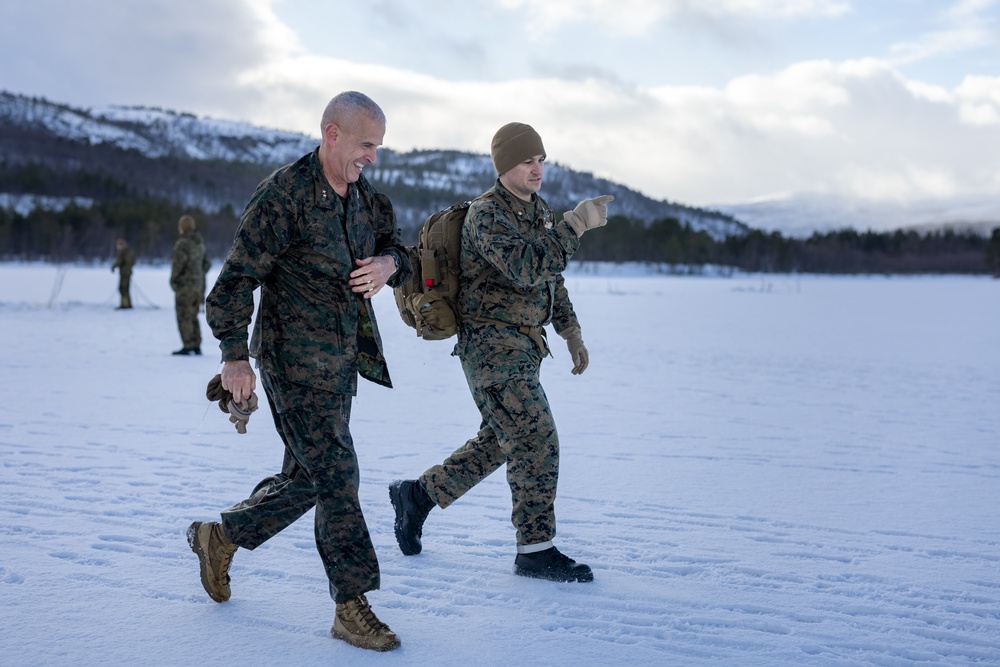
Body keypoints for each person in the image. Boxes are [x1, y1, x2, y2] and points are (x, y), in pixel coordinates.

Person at [186, 91, 411, 652]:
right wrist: (235, 357)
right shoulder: (283, 195)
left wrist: (390, 264)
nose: (372, 158)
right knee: (338, 471)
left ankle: (222, 537)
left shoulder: (366, 201)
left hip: (342, 361)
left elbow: (398, 246)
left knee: (309, 476)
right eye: (365, 145)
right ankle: (351, 605)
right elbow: (234, 281)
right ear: (331, 133)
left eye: (378, 147)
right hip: (290, 359)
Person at [389, 122, 613, 583]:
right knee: (536, 438)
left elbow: (551, 279)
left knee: (500, 442)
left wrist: (571, 332)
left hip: (525, 346)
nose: (537, 168)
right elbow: (527, 267)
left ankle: (417, 497)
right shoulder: (486, 216)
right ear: (504, 165)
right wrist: (574, 226)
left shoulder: (538, 211)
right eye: (527, 160)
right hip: (490, 348)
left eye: (541, 159)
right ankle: (535, 549)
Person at [170, 214, 210, 355]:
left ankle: (188, 344)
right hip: (198, 287)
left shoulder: (183, 244)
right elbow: (207, 264)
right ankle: (196, 344)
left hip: (185, 286)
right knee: (193, 315)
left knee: (184, 315)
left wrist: (174, 281)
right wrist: (197, 276)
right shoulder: (199, 243)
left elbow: (177, 265)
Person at [111, 238, 135, 309]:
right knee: (126, 289)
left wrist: (114, 266)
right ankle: (128, 304)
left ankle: (124, 305)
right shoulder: (129, 251)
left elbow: (119, 261)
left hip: (125, 273)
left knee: (123, 289)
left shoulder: (124, 252)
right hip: (127, 272)